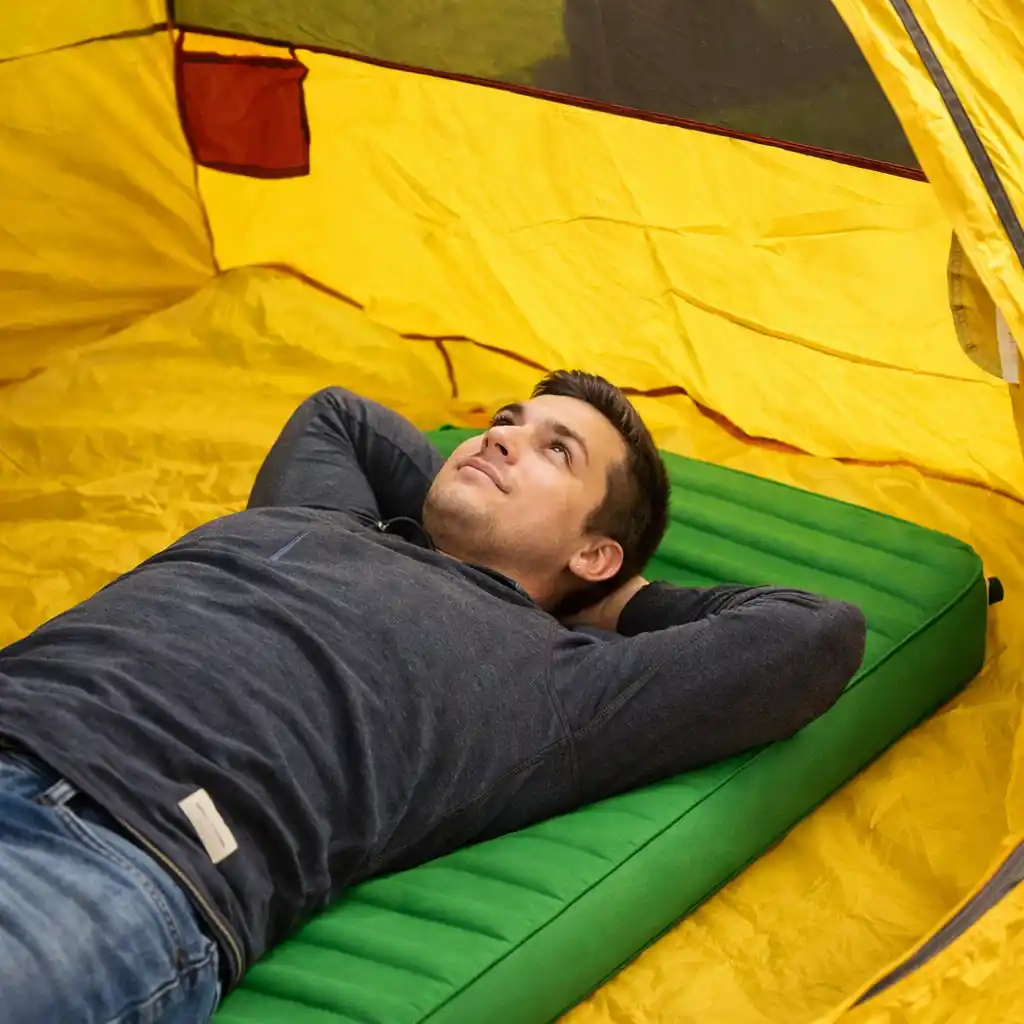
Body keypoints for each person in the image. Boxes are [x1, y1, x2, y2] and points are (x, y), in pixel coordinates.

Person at [0, 369, 866, 1022]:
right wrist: (479, 517)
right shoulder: (327, 519)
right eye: (503, 424)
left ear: (597, 551)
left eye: (554, 451)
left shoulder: (558, 679)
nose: (499, 439)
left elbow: (814, 633)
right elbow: (339, 414)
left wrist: (605, 597)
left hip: (115, 853)